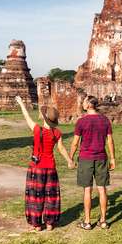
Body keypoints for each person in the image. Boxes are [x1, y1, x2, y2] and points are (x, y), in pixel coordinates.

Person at [15, 95, 73, 231]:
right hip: (51, 168)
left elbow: (27, 117)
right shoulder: (57, 133)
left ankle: (37, 224)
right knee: (50, 196)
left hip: (36, 168)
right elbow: (61, 148)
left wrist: (21, 104)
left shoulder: (37, 130)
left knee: (36, 195)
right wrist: (69, 160)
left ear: (44, 118)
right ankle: (49, 223)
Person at [68, 95, 116, 230]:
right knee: (102, 189)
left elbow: (75, 143)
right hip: (101, 158)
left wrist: (70, 158)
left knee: (87, 190)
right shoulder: (105, 120)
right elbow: (110, 141)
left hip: (86, 158)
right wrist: (112, 158)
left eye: (84, 102)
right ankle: (103, 221)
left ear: (89, 104)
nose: (82, 103)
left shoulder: (82, 121)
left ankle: (88, 222)